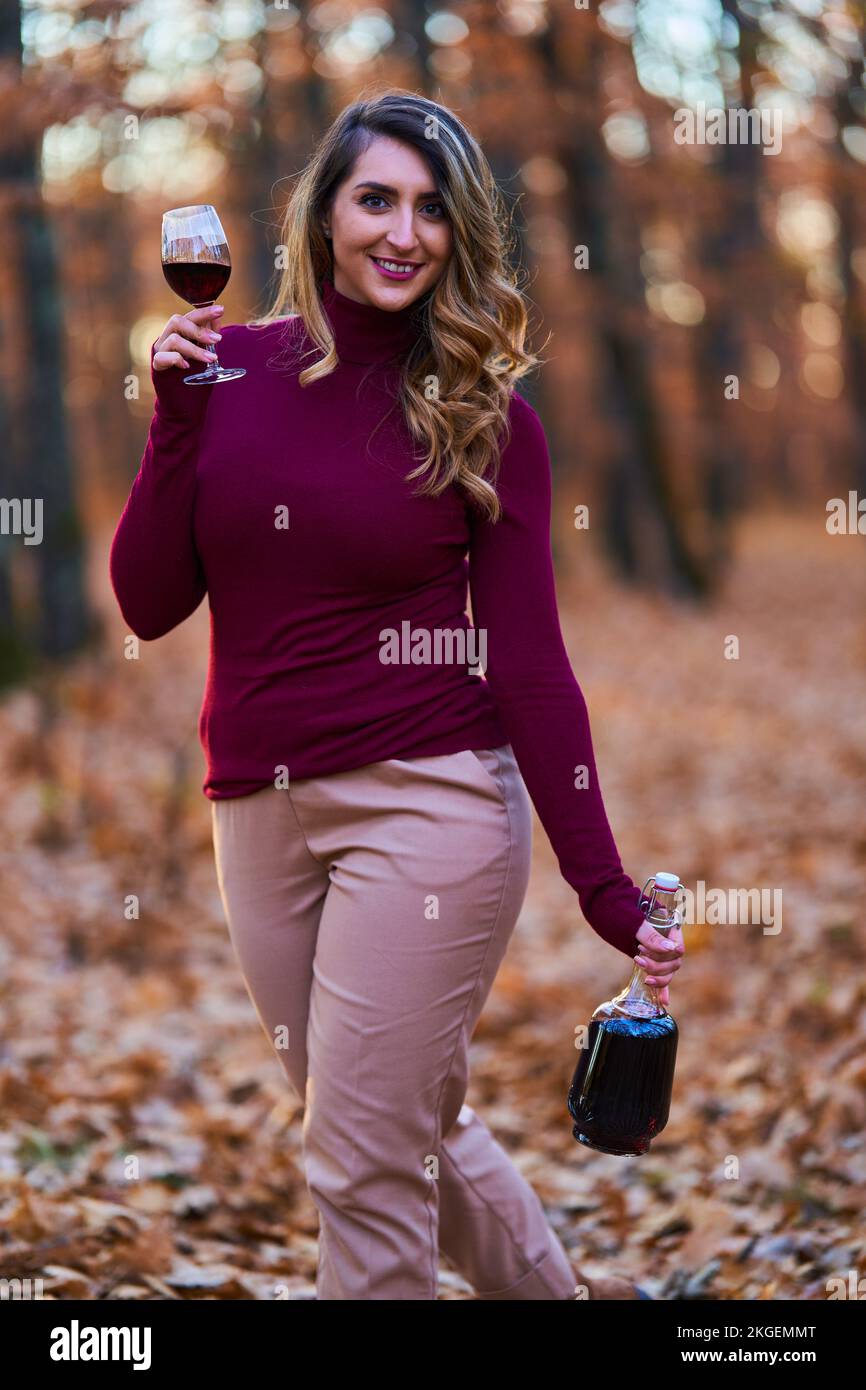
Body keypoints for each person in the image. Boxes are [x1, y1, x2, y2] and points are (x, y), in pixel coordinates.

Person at [109, 89, 684, 1301]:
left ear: (458, 235)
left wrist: (603, 886)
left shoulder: (486, 417)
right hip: (256, 814)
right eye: (375, 199)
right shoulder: (225, 373)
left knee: (358, 1157)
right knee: (394, 1124)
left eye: (431, 210)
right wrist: (170, 422)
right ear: (322, 216)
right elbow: (149, 601)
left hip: (427, 807)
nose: (401, 233)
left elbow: (528, 661)